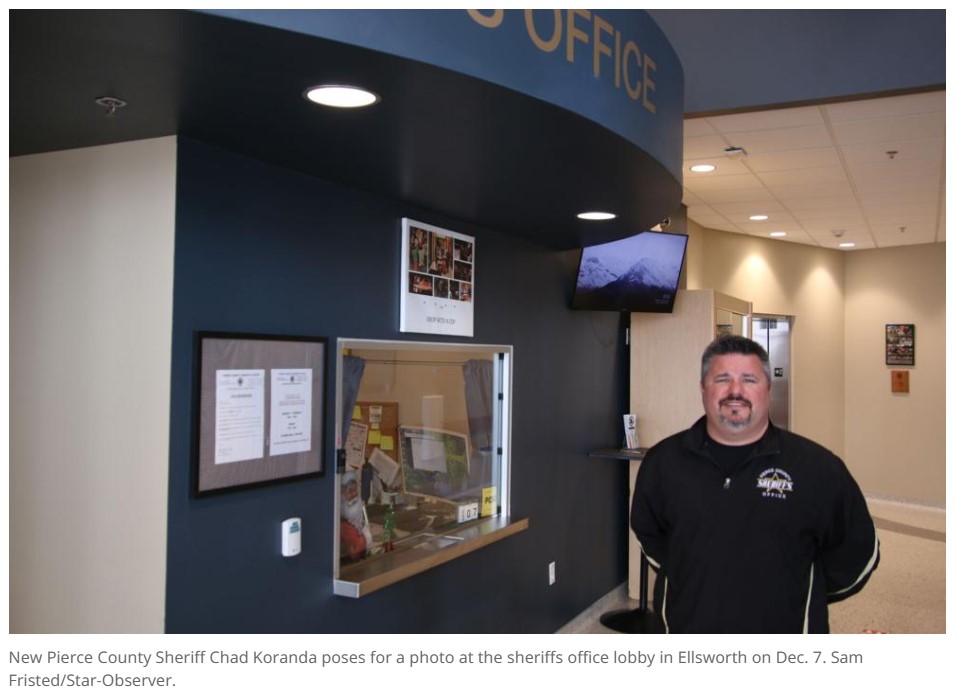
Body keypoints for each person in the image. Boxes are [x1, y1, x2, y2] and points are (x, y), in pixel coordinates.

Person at [631, 334, 880, 633]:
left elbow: (857, 555)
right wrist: (692, 577)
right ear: (702, 389)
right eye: (722, 379)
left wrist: (794, 592)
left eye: (749, 379)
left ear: (768, 389)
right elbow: (650, 534)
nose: (735, 391)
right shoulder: (663, 461)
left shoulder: (818, 468)